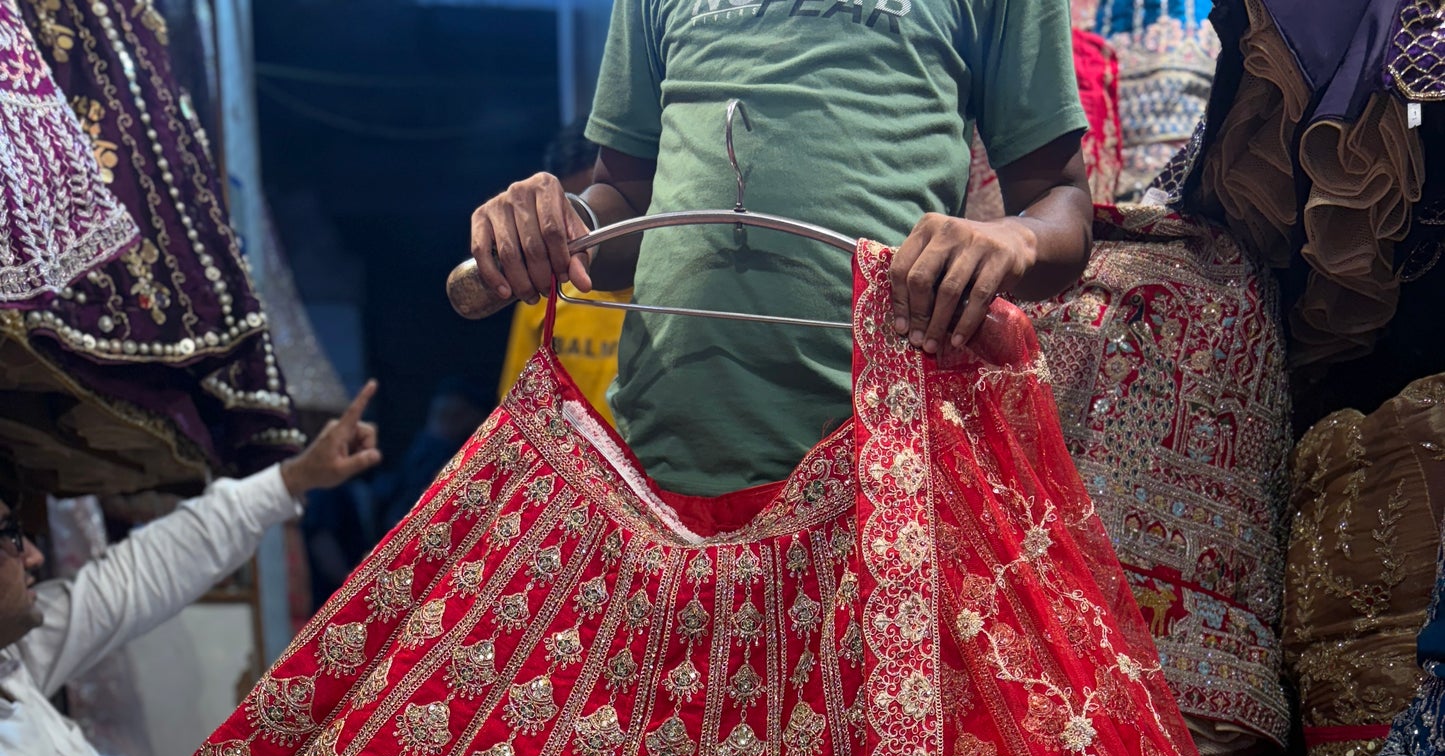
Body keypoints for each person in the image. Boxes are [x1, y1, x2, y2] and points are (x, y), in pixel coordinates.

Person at [468, 0, 1094, 495]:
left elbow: (1064, 204)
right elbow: (625, 205)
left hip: (879, 478)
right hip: (660, 471)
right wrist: (559, 223)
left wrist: (1015, 235)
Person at [0, 383, 381, 756]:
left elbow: (141, 572)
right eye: (9, 537)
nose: (32, 554)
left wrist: (294, 478)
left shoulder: (14, 658)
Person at [496, 120, 632, 425]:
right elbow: (517, 410)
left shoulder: (662, 292)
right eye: (569, 212)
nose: (579, 233)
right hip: (574, 471)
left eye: (595, 210)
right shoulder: (545, 290)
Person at [372, 376, 488, 527]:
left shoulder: (476, 458)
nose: (448, 424)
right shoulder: (424, 453)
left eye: (456, 416)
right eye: (442, 415)